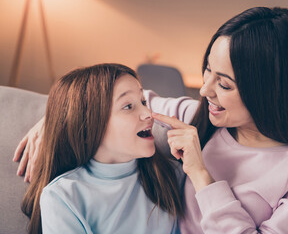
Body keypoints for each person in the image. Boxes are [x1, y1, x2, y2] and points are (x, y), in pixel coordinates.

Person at [15, 7, 288, 234]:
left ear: (271, 92)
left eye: (224, 84)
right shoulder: (199, 119)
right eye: (207, 70)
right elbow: (110, 101)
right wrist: (54, 118)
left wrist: (202, 177)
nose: (205, 91)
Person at [20, 63, 184, 234]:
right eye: (128, 106)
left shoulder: (175, 175)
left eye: (143, 101)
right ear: (90, 123)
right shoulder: (63, 196)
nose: (148, 113)